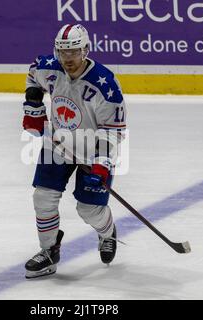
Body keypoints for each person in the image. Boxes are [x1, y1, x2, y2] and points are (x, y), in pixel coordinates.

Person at [22, 24, 127, 279]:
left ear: (86, 50)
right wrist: (33, 106)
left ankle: (107, 232)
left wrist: (101, 164)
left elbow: (113, 130)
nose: (68, 58)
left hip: (93, 149)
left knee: (88, 209)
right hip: (58, 144)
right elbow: (33, 75)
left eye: (74, 52)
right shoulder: (48, 66)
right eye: (63, 52)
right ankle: (48, 252)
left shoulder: (106, 84)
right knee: (43, 198)